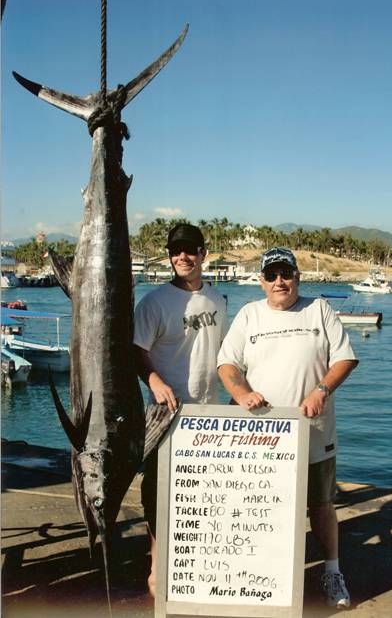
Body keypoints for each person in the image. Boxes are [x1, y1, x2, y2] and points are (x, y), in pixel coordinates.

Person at [217, 247, 358, 609]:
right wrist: (242, 393)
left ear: (298, 276)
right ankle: (264, 576)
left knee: (322, 505)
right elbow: (227, 365)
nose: (280, 281)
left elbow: (344, 358)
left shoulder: (320, 309)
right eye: (272, 275)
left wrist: (321, 391)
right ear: (261, 281)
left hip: (315, 431)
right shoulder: (249, 315)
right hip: (260, 440)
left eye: (286, 273)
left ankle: (332, 571)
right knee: (260, 506)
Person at [133, 223, 227, 596]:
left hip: (210, 416)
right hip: (166, 417)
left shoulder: (218, 299)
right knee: (157, 493)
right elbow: (136, 349)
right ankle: (157, 564)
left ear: (204, 254)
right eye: (176, 251)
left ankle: (194, 564)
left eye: (190, 250)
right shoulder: (153, 302)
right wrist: (154, 381)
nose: (182, 257)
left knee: (202, 493)